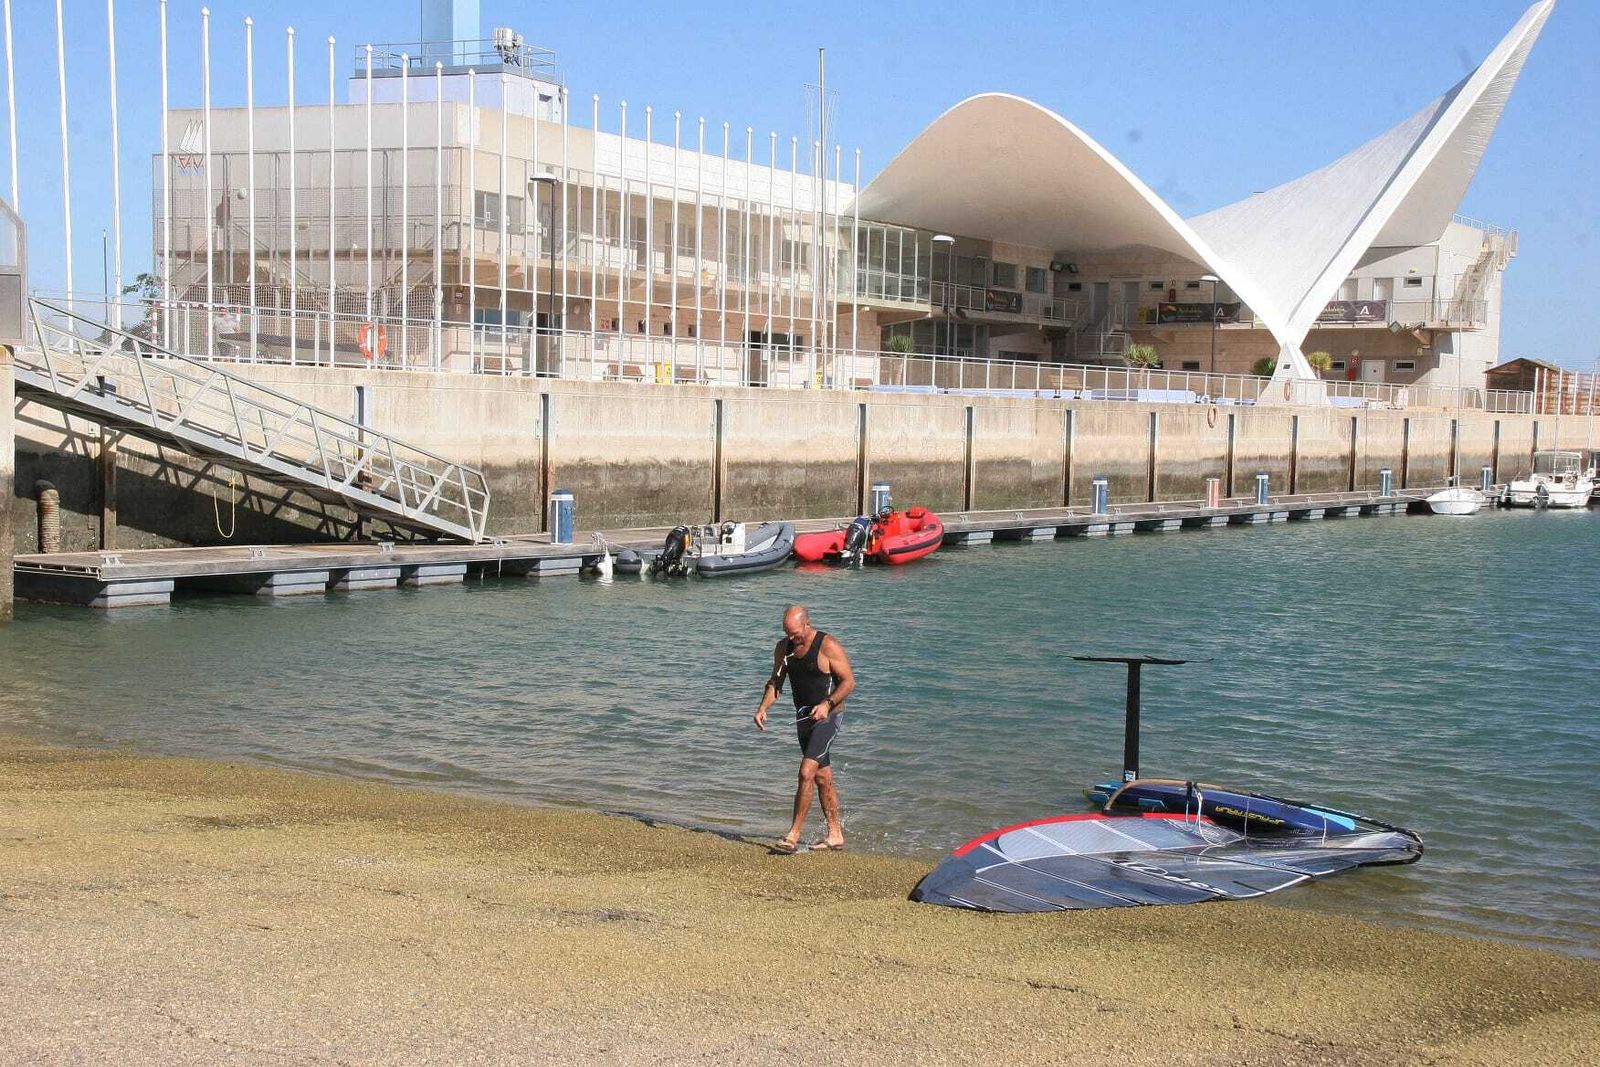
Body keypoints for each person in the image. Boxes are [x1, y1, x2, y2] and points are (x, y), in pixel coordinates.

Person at [753, 605, 856, 853]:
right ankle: (835, 834)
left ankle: (792, 835)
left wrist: (827, 704)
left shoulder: (827, 645)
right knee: (822, 776)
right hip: (803, 718)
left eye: (795, 633)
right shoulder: (784, 648)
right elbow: (776, 681)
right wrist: (763, 707)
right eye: (787, 633)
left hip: (829, 717)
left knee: (806, 771)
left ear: (806, 624)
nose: (791, 638)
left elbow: (849, 681)